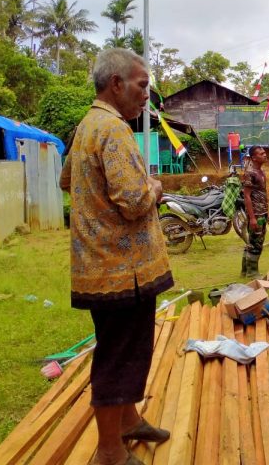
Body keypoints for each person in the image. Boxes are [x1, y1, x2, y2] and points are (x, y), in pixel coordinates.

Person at [60, 48, 174, 465]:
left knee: (126, 351)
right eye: (142, 85)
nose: (147, 94)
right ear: (116, 84)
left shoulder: (87, 125)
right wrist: (155, 188)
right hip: (123, 272)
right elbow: (133, 198)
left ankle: (128, 421)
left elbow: (65, 179)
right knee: (118, 357)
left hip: (99, 267)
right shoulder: (113, 129)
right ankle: (109, 451)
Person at [241, 145, 268, 279]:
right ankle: (252, 272)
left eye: (264, 152)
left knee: (252, 242)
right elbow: (246, 196)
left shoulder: (261, 172)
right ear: (254, 157)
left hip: (261, 212)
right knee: (256, 243)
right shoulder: (250, 173)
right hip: (255, 213)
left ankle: (245, 271)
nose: (265, 155)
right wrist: (252, 218)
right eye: (261, 153)